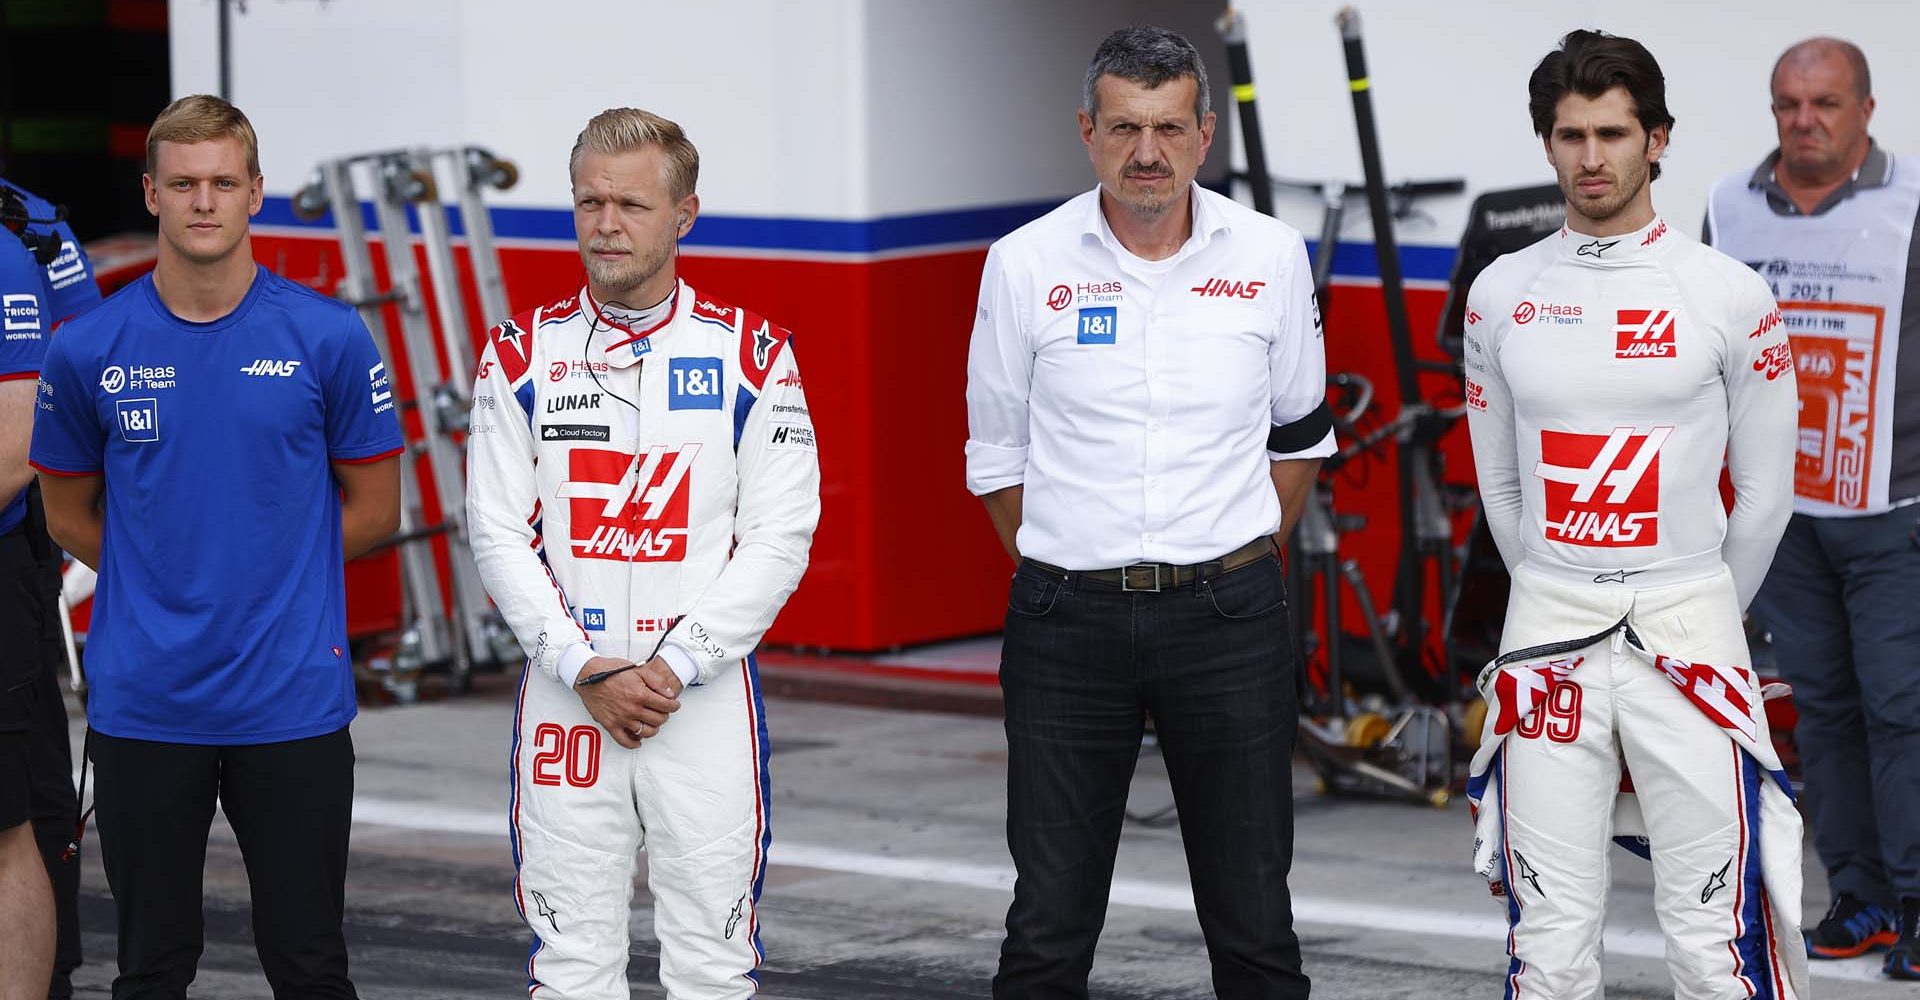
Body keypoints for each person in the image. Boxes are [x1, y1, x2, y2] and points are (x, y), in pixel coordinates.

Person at [964, 26, 1331, 1000]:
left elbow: (1299, 437)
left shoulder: (1270, 256)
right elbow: (996, 457)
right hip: (1065, 625)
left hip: (1229, 620)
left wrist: (1239, 556)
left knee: (1256, 927)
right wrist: (1064, 565)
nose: (1147, 153)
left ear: (1205, 133)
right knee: (1045, 930)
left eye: (1169, 128)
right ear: (1087, 130)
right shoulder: (1022, 263)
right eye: (1125, 127)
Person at [28, 94, 402, 999]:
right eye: (185, 183)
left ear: (257, 194)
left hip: (293, 705)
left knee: (310, 965)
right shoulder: (87, 347)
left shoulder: (329, 336)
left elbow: (375, 509)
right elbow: (66, 513)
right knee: (151, 967)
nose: (205, 201)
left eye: (224, 182)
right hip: (146, 705)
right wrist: (170, 572)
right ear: (151, 194)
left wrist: (264, 574)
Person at [1460, 29, 1809, 998]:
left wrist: (1696, 607)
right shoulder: (1499, 294)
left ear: (1658, 138)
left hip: (1690, 624)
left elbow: (1768, 494)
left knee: (1714, 937)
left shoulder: (1729, 295)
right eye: (1569, 135)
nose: (1591, 157)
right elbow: (1501, 489)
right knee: (1549, 937)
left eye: (1613, 133)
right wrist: (1558, 586)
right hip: (1547, 632)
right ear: (1547, 143)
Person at [466, 107, 819, 1000]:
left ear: (685, 214)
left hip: (699, 706)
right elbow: (496, 532)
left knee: (712, 966)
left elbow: (781, 535)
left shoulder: (753, 355)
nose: (606, 224)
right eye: (589, 202)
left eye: (630, 203)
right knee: (572, 968)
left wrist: (677, 664)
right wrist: (583, 665)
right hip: (566, 703)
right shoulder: (518, 355)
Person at [1703, 37, 1920, 978]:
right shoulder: (1726, 207)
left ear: (1866, 110)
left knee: (1902, 707)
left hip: (1896, 510)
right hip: (1785, 515)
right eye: (1789, 104)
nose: (1805, 121)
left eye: (1826, 103)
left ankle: (1918, 900)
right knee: (1822, 711)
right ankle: (1862, 896)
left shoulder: (1911, 202)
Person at [0, 173, 101, 1000]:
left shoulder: (26, 229)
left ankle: (50, 974)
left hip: (19, 540)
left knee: (23, 794)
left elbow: (38, 415)